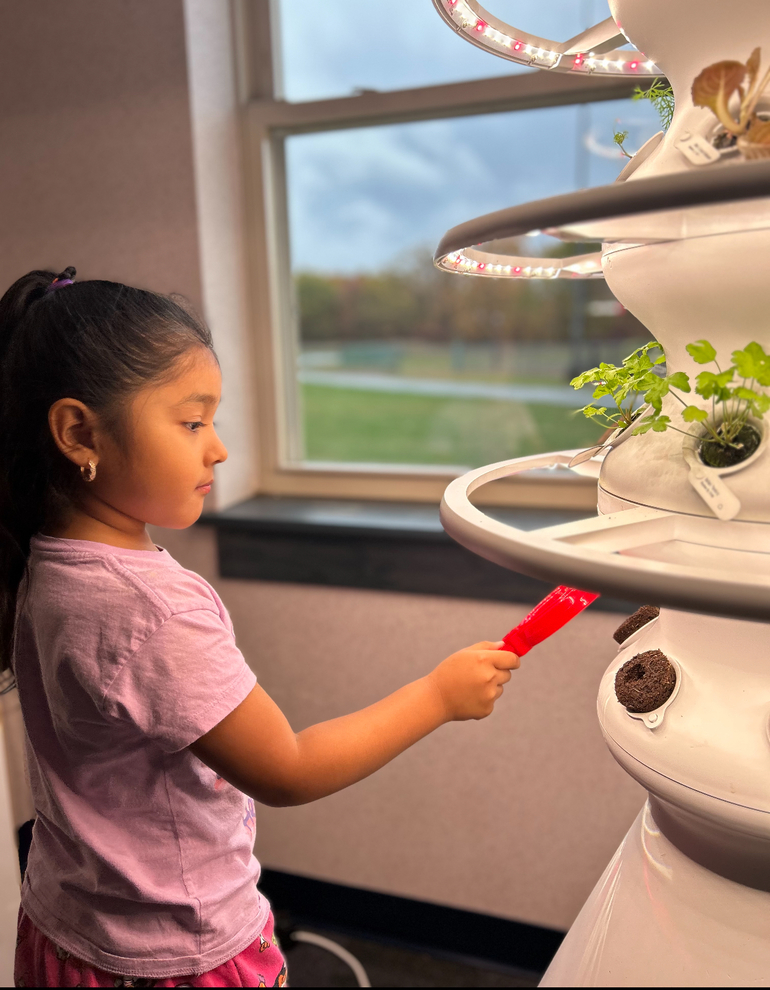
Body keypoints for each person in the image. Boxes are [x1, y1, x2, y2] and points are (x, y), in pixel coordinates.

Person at [1, 268, 520, 988]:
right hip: (172, 956)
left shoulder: (45, 563)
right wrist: (437, 695)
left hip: (66, 931)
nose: (216, 448)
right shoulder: (153, 609)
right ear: (79, 432)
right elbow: (290, 767)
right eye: (191, 421)